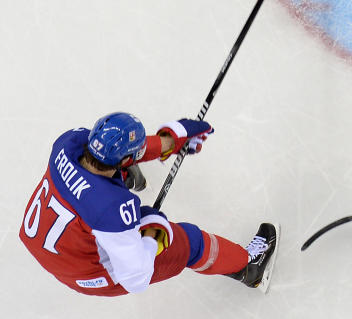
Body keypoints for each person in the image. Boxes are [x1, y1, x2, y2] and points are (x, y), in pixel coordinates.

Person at [20, 112, 278, 296]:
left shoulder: (69, 142)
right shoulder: (110, 210)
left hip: (52, 245)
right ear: (124, 160)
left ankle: (119, 179)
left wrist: (170, 142)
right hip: (92, 274)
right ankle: (249, 268)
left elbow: (119, 154)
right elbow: (136, 277)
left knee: (107, 191)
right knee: (188, 241)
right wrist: (155, 233)